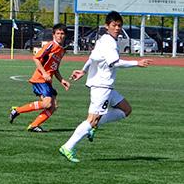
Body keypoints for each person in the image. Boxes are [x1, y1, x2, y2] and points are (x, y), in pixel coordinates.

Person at [59, 11, 151, 163]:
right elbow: (114, 62)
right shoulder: (108, 42)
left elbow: (92, 58)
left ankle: (94, 125)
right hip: (102, 86)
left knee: (126, 109)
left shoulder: (103, 40)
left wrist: (83, 70)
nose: (117, 28)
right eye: (114, 25)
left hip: (106, 86)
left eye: (119, 25)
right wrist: (137, 63)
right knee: (92, 120)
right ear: (107, 26)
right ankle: (68, 146)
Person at [9, 23, 70, 132]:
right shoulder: (51, 45)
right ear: (53, 35)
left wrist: (62, 80)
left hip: (47, 81)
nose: (60, 36)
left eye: (62, 33)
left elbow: (55, 68)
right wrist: (44, 73)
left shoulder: (61, 50)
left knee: (53, 106)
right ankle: (17, 110)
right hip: (40, 78)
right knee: (47, 103)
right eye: (58, 33)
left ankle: (33, 125)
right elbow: (36, 58)